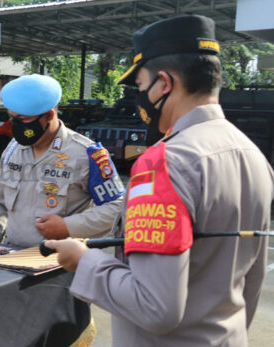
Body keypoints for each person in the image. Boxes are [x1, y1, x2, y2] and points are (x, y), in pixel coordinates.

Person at [46, 15, 274, 346]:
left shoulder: (164, 162)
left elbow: (155, 307)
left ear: (164, 84)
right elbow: (251, 282)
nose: (140, 98)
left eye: (140, 86)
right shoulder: (251, 154)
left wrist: (84, 261)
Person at [0, 74, 124, 248]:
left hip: (60, 263)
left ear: (50, 115)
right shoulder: (13, 148)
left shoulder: (86, 154)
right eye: (12, 118)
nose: (16, 126)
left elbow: (117, 206)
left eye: (23, 120)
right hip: (11, 257)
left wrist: (68, 227)